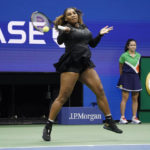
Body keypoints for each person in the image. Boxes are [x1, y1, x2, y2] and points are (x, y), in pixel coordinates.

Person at [42, 7, 123, 141]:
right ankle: (48, 126)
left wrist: (100, 34)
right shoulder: (66, 28)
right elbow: (60, 41)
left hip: (85, 64)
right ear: (66, 18)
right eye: (69, 14)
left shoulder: (83, 27)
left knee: (100, 91)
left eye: (74, 13)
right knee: (63, 97)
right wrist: (65, 32)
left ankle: (109, 122)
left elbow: (92, 44)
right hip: (71, 64)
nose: (73, 15)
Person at [117, 39, 142, 124]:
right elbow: (120, 67)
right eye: (131, 45)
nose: (133, 46)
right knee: (125, 98)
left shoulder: (139, 55)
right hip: (126, 77)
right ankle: (122, 117)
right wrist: (122, 77)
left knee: (135, 98)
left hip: (135, 77)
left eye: (134, 45)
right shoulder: (124, 55)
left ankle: (134, 117)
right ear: (128, 46)